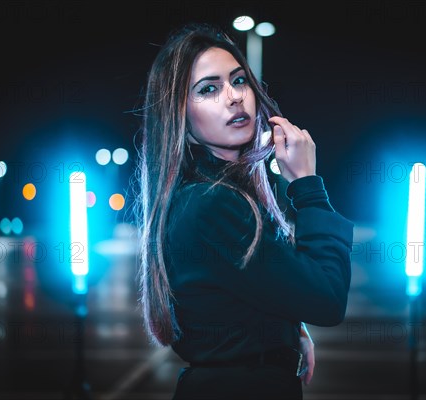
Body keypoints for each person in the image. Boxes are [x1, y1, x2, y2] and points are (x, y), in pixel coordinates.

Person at [135, 22, 354, 400]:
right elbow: (328, 298)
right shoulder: (212, 203)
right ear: (181, 118)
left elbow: (247, 289)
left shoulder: (211, 193)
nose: (234, 97)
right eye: (209, 89)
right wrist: (308, 187)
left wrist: (285, 329)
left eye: (239, 81)